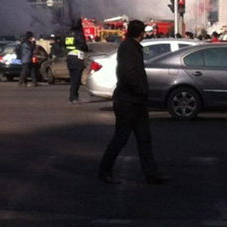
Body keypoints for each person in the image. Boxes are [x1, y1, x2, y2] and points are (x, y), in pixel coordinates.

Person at [99, 19, 169, 185]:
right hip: (128, 102)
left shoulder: (132, 47)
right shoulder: (128, 48)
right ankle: (104, 171)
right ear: (141, 33)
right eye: (143, 32)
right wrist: (140, 90)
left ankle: (151, 175)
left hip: (136, 101)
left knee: (145, 139)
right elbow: (128, 74)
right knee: (121, 138)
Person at [65, 18, 88, 103]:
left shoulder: (68, 34)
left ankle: (72, 96)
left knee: (72, 79)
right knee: (76, 79)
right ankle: (74, 97)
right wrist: (87, 49)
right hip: (77, 59)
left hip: (69, 58)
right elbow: (83, 46)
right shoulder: (79, 34)